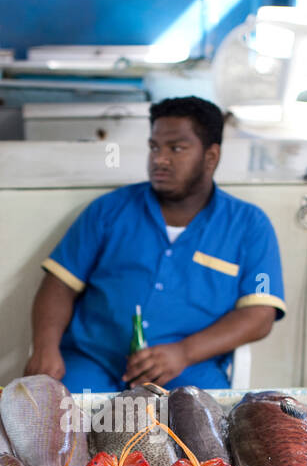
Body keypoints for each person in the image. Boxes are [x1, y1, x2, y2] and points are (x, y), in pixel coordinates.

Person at [24, 96, 284, 392]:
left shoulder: (249, 225)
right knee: (55, 424)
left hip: (187, 370)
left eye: (176, 148)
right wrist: (45, 347)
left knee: (202, 435)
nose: (160, 159)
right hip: (92, 361)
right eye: (154, 147)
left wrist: (184, 352)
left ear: (211, 156)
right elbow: (59, 283)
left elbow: (259, 315)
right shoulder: (109, 210)